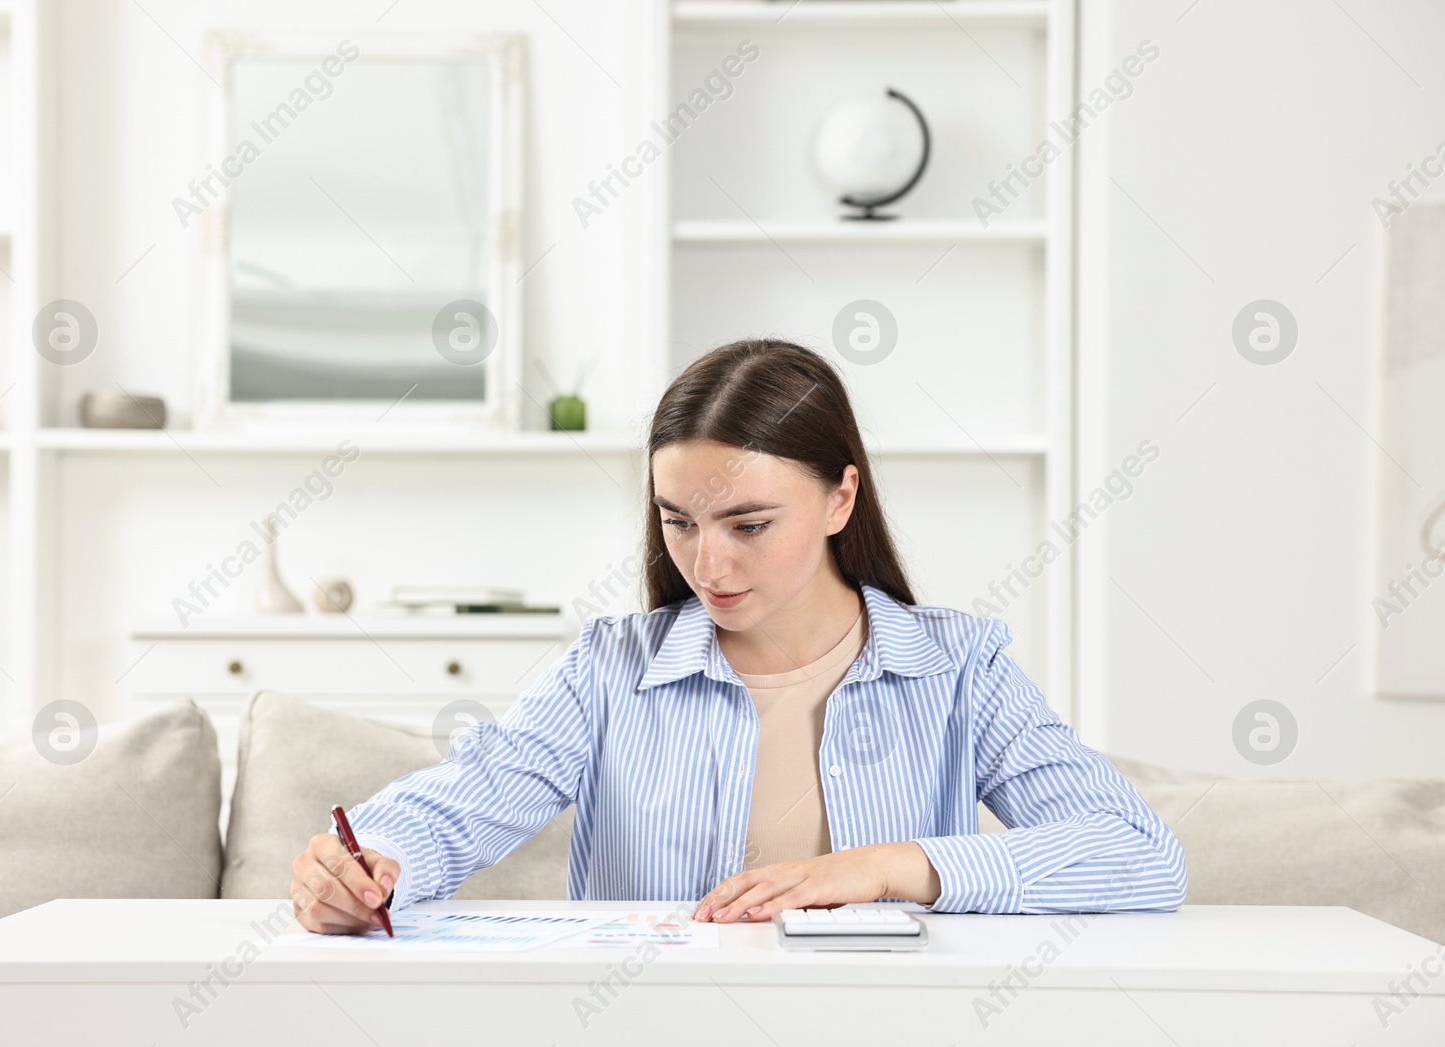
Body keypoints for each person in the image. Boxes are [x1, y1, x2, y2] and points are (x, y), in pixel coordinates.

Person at [290, 338, 1187, 933]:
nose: (706, 563)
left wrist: (890, 867)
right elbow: (469, 793)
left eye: (749, 524)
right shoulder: (611, 670)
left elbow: (1140, 853)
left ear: (841, 496)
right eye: (678, 519)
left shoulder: (958, 668)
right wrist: (372, 858)